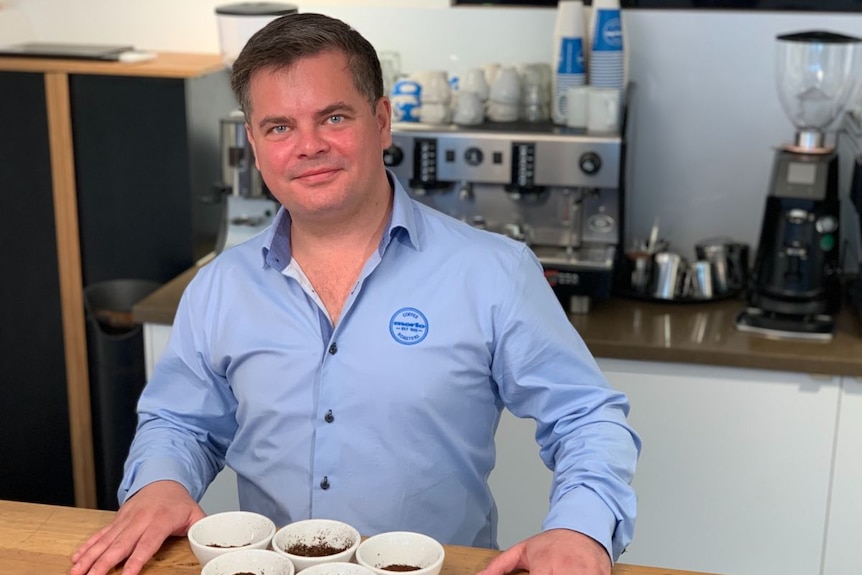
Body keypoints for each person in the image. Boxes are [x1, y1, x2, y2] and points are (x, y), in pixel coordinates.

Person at [71, 12, 640, 575]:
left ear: (382, 120)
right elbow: (182, 422)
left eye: (334, 117)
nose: (309, 146)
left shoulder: (491, 272)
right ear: (254, 143)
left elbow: (586, 417)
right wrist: (160, 483)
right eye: (279, 127)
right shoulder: (221, 286)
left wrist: (579, 527)